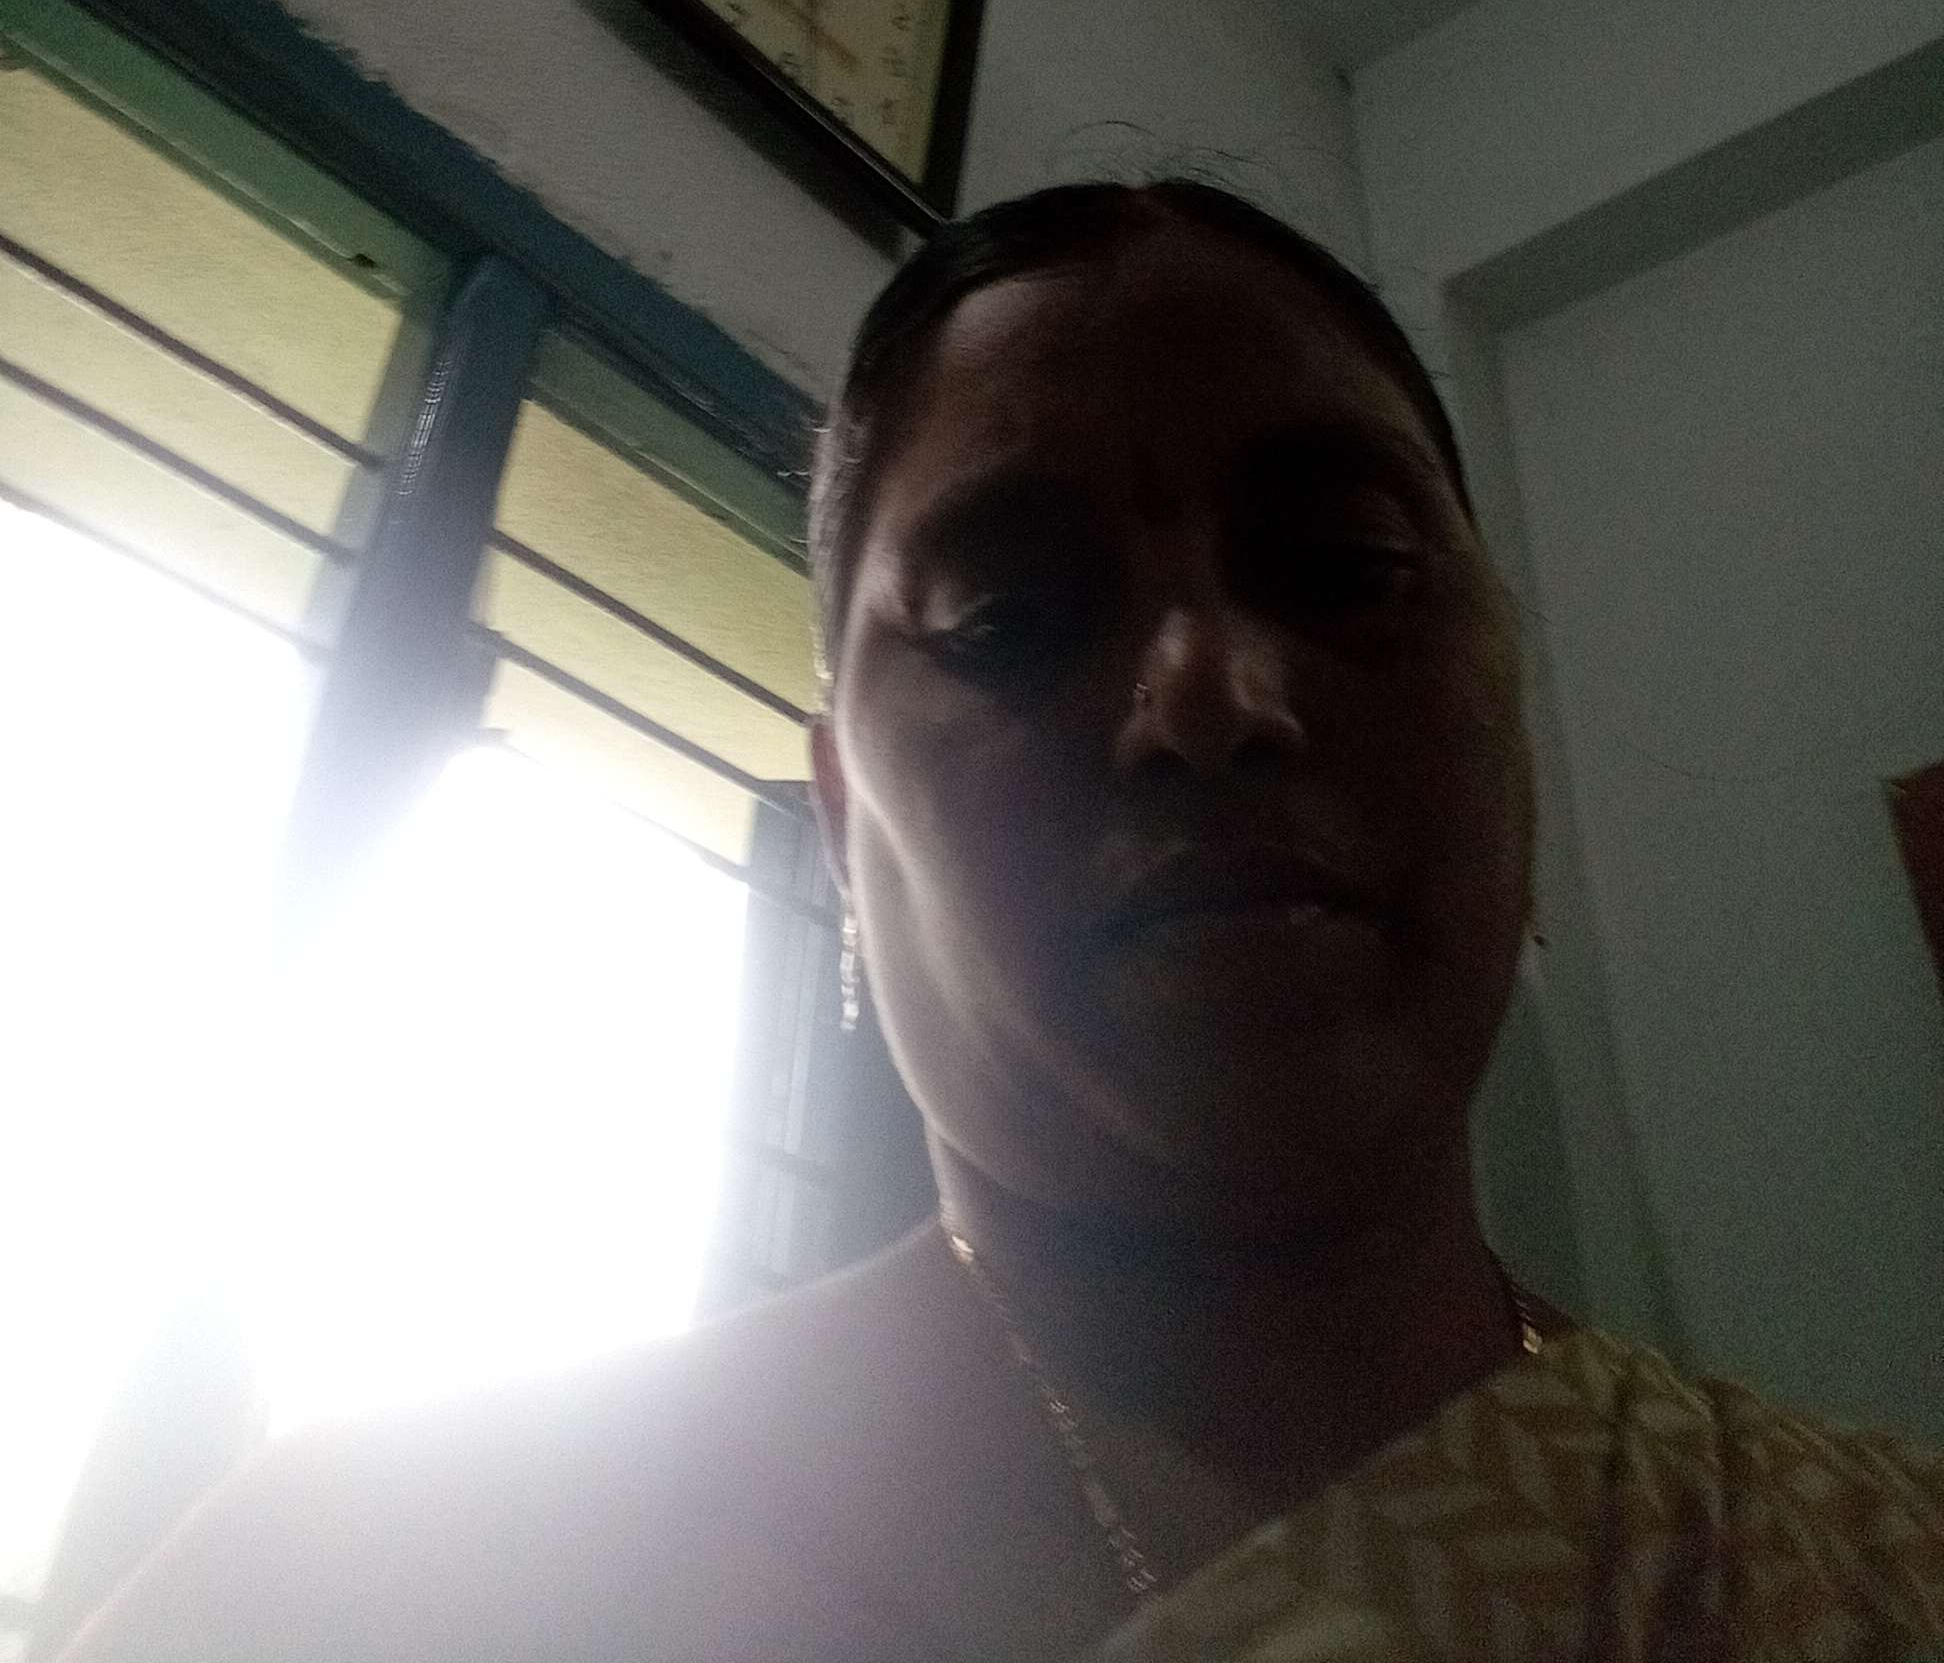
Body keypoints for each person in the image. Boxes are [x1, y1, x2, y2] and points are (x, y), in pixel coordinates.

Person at [52, 178, 1944, 1662]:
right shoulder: (389, 1589)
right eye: (1012, 619)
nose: (1210, 697)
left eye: (1351, 570)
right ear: (840, 813)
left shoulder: (1870, 1568)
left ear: (1510, 707)